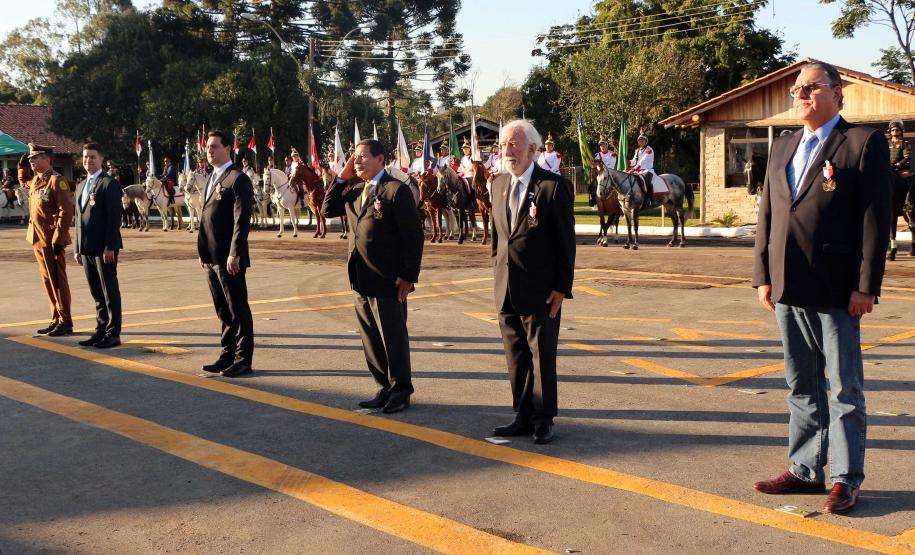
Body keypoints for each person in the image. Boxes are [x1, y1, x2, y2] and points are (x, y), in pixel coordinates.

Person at [752, 62, 892, 515]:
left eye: (811, 88)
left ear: (838, 93)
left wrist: (866, 285)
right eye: (797, 89)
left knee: (844, 388)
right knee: (800, 383)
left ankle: (845, 478)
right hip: (787, 285)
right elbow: (768, 216)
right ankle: (805, 469)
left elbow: (875, 219)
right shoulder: (784, 145)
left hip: (836, 288)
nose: (801, 95)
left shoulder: (861, 142)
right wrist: (763, 274)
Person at [322, 139, 424, 414]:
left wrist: (408, 276)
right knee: (370, 336)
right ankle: (383, 386)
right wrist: (342, 177)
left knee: (393, 337)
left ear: (380, 159)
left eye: (362, 157)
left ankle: (401, 390)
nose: (356, 161)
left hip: (389, 280)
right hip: (360, 277)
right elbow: (326, 209)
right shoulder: (354, 190)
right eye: (354, 157)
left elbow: (413, 237)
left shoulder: (395, 190)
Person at [489, 120, 576, 445]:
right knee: (516, 356)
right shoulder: (497, 184)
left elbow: (566, 244)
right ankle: (522, 415)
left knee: (541, 356)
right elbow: (499, 239)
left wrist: (561, 288)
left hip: (542, 290)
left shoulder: (552, 186)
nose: (506, 151)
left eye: (513, 144)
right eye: (502, 145)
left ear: (533, 150)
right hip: (506, 287)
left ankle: (543, 418)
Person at [197, 130, 255, 378]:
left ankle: (243, 359)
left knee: (237, 308)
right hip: (210, 256)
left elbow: (241, 220)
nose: (209, 151)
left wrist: (235, 253)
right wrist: (202, 251)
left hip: (229, 258)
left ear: (228, 148)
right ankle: (227, 354)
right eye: (208, 147)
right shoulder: (212, 177)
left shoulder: (237, 178)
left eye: (214, 147)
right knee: (222, 309)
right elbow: (205, 218)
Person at [74, 143, 123, 349]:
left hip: (104, 248)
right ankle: (100, 329)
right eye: (85, 157)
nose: (88, 160)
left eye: (92, 157)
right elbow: (78, 218)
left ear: (101, 159)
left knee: (109, 290)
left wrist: (110, 246)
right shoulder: (81, 184)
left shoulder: (108, 183)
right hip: (86, 248)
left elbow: (114, 218)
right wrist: (77, 247)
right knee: (96, 291)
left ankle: (113, 333)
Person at [24, 143, 75, 336]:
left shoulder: (56, 181)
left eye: (35, 158)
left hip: (51, 240)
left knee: (58, 281)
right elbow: (23, 182)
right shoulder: (36, 181)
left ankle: (65, 321)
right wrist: (22, 168)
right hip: (37, 238)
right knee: (48, 281)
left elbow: (66, 211)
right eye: (30, 159)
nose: (32, 161)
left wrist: (58, 239)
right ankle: (55, 318)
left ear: (47, 159)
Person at [629, 134, 655, 207]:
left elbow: (642, 161)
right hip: (638, 171)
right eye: (639, 141)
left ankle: (649, 199)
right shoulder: (637, 150)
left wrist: (634, 168)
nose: (640, 142)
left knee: (646, 181)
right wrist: (628, 162)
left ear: (646, 141)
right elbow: (634, 161)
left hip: (647, 170)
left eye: (642, 141)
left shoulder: (649, 150)